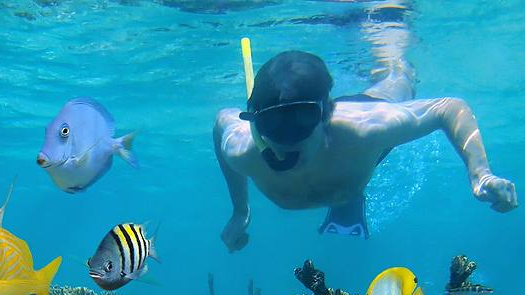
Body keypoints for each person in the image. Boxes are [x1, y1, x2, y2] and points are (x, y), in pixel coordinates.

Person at [214, 49, 517, 250]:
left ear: (324, 114)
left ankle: (391, 48)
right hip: (342, 157)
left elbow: (448, 107)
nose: (287, 138)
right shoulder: (243, 150)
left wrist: (480, 173)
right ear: (255, 123)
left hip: (361, 120)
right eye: (272, 126)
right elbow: (221, 123)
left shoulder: (367, 130)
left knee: (398, 80)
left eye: (301, 121)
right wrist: (240, 210)